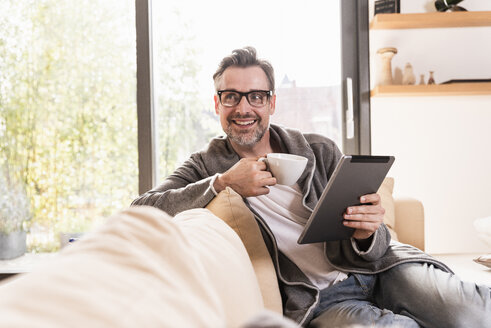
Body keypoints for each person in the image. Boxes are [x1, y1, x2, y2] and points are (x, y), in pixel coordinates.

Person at [132, 46, 491, 327]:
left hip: (385, 268)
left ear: (272, 102)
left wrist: (369, 232)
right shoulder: (205, 165)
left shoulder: (319, 149)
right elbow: (142, 209)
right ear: (217, 104)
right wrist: (224, 182)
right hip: (322, 298)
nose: (244, 107)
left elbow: (377, 243)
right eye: (231, 97)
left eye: (256, 96)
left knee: (475, 313)